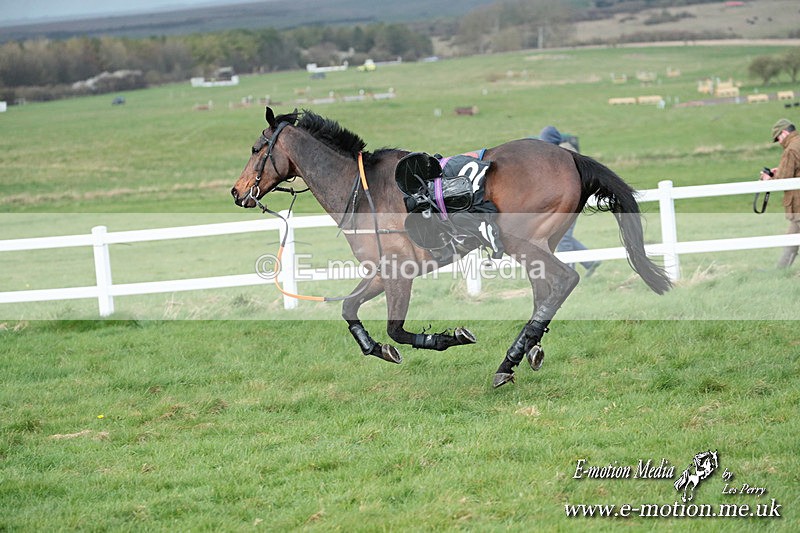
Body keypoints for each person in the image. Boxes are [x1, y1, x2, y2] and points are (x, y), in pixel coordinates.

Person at [538, 126, 600, 276]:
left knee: (562, 237)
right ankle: (590, 261)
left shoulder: (563, 157)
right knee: (563, 235)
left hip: (570, 202)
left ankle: (568, 273)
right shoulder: (557, 155)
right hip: (564, 203)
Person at [760, 118, 800, 268]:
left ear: (784, 133)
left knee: (791, 240)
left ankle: (780, 271)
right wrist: (779, 171)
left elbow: (783, 179)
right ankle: (781, 272)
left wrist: (768, 178)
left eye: (778, 138)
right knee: (791, 240)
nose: (779, 142)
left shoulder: (791, 149)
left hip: (798, 204)